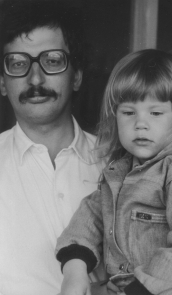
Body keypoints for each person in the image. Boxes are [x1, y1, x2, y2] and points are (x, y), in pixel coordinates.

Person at [56, 49, 172, 295]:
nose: (140, 123)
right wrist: (75, 269)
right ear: (115, 116)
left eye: (155, 113)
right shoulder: (119, 170)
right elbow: (89, 217)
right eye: (129, 112)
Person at [0, 0, 105, 294]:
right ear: (2, 82)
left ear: (77, 76)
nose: (35, 78)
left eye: (53, 60)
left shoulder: (119, 163)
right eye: (18, 63)